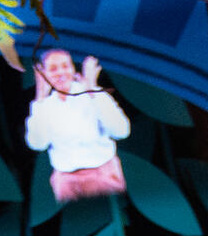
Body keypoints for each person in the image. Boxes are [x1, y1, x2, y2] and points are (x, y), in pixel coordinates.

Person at [24, 50, 130, 204]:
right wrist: (40, 98)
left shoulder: (92, 94)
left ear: (73, 69)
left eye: (65, 66)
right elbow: (37, 144)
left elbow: (121, 131)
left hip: (105, 175)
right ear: (43, 74)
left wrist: (92, 89)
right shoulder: (44, 106)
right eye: (53, 69)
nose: (61, 73)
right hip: (66, 181)